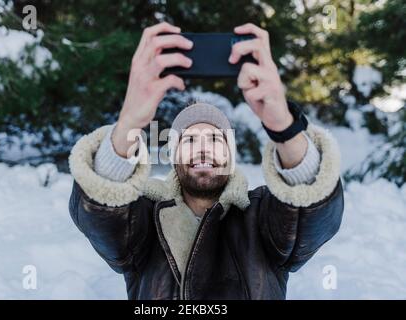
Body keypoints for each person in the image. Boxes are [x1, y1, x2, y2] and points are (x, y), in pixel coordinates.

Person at [68, 22, 344, 300]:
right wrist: (128, 122)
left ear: (230, 155)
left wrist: (284, 126)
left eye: (214, 140)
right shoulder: (143, 221)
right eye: (189, 140)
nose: (203, 149)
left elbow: (309, 210)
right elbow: (103, 211)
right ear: (174, 156)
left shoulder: (261, 217)